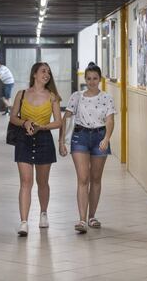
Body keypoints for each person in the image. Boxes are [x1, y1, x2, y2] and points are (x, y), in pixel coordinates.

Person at [59, 62, 115, 233]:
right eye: (89, 78)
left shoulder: (106, 97)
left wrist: (106, 138)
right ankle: (82, 220)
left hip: (99, 137)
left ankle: (92, 216)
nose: (92, 82)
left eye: (95, 78)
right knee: (83, 178)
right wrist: (61, 141)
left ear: (100, 79)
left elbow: (110, 120)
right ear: (85, 79)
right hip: (80, 137)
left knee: (95, 178)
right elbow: (66, 118)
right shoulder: (77, 96)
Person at [9, 62, 62, 236]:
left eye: (48, 72)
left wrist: (43, 127)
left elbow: (59, 121)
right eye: (43, 71)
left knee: (42, 182)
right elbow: (13, 117)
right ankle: (24, 222)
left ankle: (43, 213)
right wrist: (25, 122)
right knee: (25, 181)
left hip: (44, 139)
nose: (46, 74)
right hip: (24, 139)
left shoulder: (52, 96)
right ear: (34, 74)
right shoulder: (21, 94)